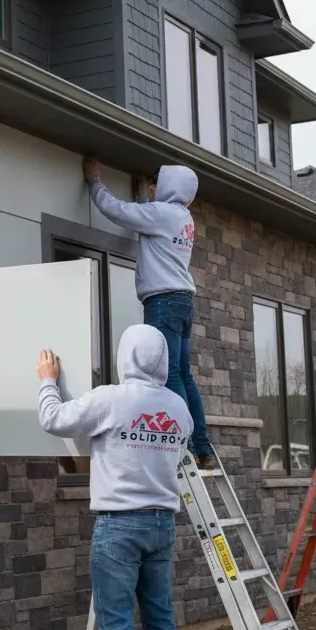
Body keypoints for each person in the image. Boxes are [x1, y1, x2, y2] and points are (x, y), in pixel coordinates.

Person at [36, 325, 192, 630]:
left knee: (117, 622)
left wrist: (48, 381)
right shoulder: (178, 407)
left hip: (120, 524)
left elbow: (54, 419)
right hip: (162, 522)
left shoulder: (111, 399)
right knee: (160, 619)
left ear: (127, 356)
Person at [83, 156, 215, 468]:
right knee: (183, 374)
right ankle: (202, 447)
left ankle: (180, 439)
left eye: (157, 185)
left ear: (167, 189)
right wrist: (145, 195)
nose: (153, 189)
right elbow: (149, 221)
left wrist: (95, 182)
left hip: (163, 302)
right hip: (182, 302)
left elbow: (118, 211)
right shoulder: (182, 217)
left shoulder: (162, 214)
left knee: (168, 374)